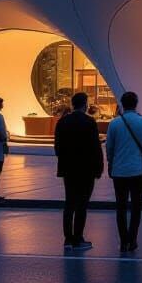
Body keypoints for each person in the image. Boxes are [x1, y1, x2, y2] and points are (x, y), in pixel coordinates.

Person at [106, 90, 142, 253]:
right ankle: (132, 239)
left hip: (119, 171)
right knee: (136, 207)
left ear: (122, 104)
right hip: (138, 170)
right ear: (136, 104)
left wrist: (111, 163)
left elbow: (109, 148)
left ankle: (123, 241)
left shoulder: (114, 123)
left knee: (120, 207)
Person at [54, 91, 104, 252]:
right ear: (85, 104)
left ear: (72, 104)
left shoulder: (62, 122)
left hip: (68, 169)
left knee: (69, 203)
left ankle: (67, 239)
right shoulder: (89, 122)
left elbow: (57, 148)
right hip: (86, 169)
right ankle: (78, 238)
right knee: (82, 204)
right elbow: (95, 148)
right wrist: (99, 168)